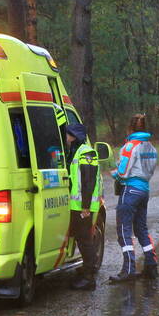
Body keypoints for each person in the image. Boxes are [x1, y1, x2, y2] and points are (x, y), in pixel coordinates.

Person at [110, 114, 158, 282]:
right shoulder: (151, 147)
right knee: (141, 229)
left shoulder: (130, 146)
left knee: (123, 230)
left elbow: (123, 172)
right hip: (144, 190)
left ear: (130, 128)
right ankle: (151, 266)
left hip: (130, 190)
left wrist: (114, 174)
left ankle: (129, 269)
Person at [63, 122, 102, 291]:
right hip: (77, 204)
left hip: (83, 206)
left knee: (85, 240)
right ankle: (87, 270)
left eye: (67, 134)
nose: (65, 137)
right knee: (81, 239)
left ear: (74, 135)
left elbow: (88, 180)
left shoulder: (87, 152)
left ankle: (89, 278)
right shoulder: (76, 151)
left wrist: (85, 207)